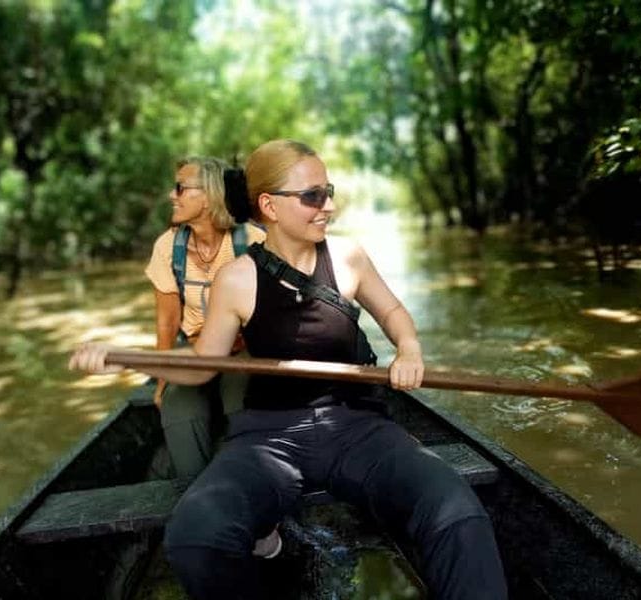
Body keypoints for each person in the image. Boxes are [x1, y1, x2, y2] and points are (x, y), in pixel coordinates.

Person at [70, 140, 507, 599]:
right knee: (194, 537)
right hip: (268, 437)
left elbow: (395, 314)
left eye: (329, 191)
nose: (329, 207)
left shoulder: (348, 258)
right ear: (269, 206)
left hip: (357, 426)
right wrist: (122, 358)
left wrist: (410, 350)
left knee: (457, 510)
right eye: (314, 196)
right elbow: (202, 368)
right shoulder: (237, 278)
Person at [145, 156, 265, 491]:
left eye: (181, 187)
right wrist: (160, 379)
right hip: (195, 349)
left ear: (210, 195)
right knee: (180, 411)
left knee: (241, 404)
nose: (172, 194)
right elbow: (167, 320)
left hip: (244, 350)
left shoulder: (253, 242)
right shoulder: (169, 246)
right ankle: (199, 500)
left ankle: (249, 489)